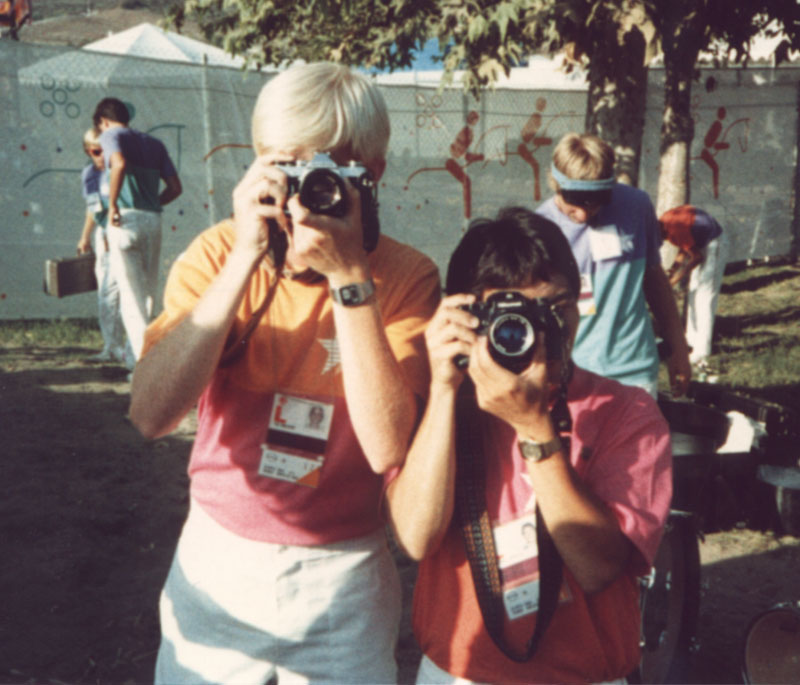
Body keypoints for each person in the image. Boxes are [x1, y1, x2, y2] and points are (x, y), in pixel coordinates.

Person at [127, 62, 440, 683]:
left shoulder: (404, 278)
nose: (306, 195)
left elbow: (387, 448)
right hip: (221, 555)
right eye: (287, 167)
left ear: (370, 175)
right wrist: (246, 255)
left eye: (327, 172)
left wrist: (350, 279)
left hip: (343, 574)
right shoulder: (218, 254)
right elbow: (150, 415)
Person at [385, 207, 672, 683]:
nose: (543, 335)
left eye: (556, 310)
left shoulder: (626, 412)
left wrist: (535, 428)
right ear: (468, 316)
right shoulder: (441, 405)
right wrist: (441, 389)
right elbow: (415, 537)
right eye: (515, 317)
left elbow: (599, 567)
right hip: (460, 671)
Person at [536, 132, 691, 397]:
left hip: (634, 371)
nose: (584, 214)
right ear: (555, 183)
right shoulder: (538, 230)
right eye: (574, 201)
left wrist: (678, 347)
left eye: (595, 202)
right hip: (571, 375)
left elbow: (654, 279)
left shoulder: (635, 206)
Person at [92, 97, 183, 361]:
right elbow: (176, 188)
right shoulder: (155, 143)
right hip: (152, 219)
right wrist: (154, 202)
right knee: (147, 294)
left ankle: (141, 360)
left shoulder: (110, 135)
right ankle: (141, 353)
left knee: (130, 295)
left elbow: (118, 163)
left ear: (104, 122)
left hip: (125, 220)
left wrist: (112, 206)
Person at [76, 127, 133, 367]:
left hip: (125, 228)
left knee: (128, 290)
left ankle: (132, 349)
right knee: (106, 293)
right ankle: (111, 346)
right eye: (96, 152)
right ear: (88, 152)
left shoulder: (120, 168)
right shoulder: (89, 173)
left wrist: (114, 231)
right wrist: (85, 236)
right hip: (104, 233)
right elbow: (93, 207)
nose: (101, 156)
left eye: (105, 151)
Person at [660, 205, 728, 372]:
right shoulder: (666, 224)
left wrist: (676, 278)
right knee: (693, 294)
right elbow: (684, 248)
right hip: (701, 243)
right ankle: (690, 343)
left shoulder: (672, 227)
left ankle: (702, 351)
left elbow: (697, 257)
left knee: (705, 296)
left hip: (714, 242)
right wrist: (672, 270)